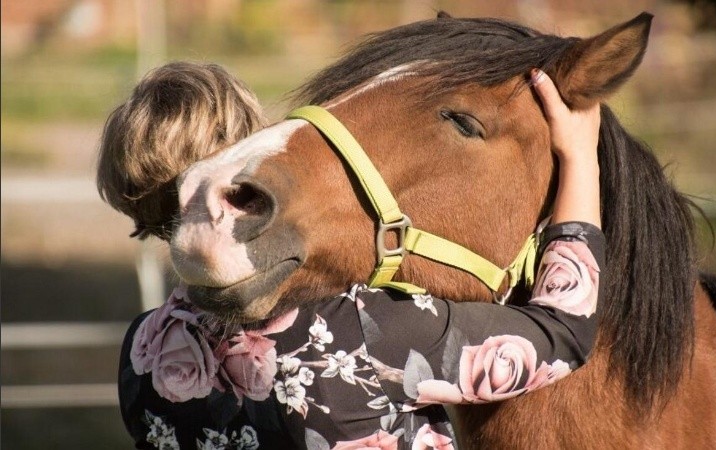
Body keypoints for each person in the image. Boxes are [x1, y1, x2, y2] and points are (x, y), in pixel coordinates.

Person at [98, 62, 603, 449]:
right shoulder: (358, 333)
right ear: (245, 161)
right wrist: (580, 156)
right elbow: (565, 331)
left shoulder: (140, 353)